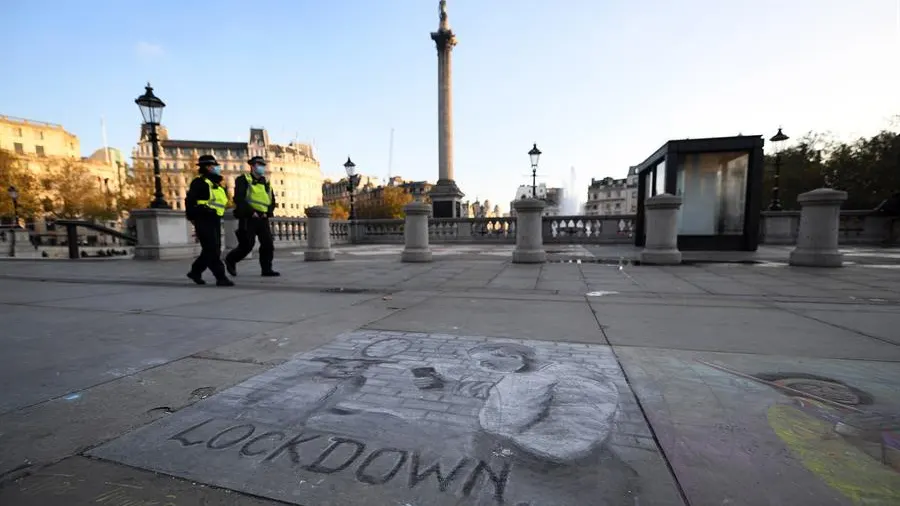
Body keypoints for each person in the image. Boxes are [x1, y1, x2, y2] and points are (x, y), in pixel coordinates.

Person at [224, 156, 279, 277]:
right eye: (259, 164)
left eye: (263, 165)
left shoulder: (266, 183)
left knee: (268, 244)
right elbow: (239, 198)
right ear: (252, 166)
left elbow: (272, 200)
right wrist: (251, 212)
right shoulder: (243, 179)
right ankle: (231, 259)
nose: (262, 167)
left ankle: (266, 269)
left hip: (263, 217)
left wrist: (268, 212)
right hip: (249, 217)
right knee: (247, 245)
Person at [185, 154, 233, 286]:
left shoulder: (216, 185)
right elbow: (190, 201)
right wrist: (193, 217)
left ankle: (195, 271)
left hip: (215, 219)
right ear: (207, 167)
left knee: (210, 249)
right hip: (204, 218)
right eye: (214, 166)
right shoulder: (199, 182)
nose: (217, 168)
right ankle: (221, 277)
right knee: (212, 249)